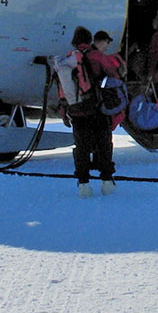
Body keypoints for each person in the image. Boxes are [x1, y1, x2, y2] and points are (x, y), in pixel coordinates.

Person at [62, 26, 118, 198]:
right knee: (103, 145)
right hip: (97, 110)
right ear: (90, 40)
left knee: (81, 147)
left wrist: (64, 111)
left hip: (77, 111)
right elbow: (114, 75)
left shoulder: (68, 60)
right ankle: (107, 182)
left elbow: (62, 90)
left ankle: (83, 185)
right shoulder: (97, 56)